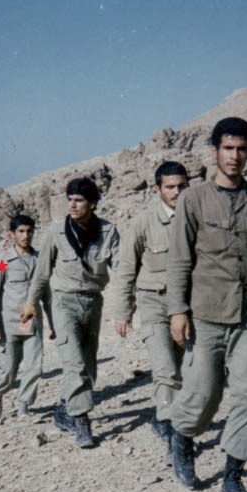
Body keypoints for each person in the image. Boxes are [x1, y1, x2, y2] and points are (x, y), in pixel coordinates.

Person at [167, 117, 247, 492]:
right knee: (203, 395)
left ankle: (233, 477)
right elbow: (179, 259)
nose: (235, 156)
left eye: (242, 149)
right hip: (205, 312)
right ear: (215, 151)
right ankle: (182, 437)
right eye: (228, 148)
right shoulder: (193, 199)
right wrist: (177, 310)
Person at [20, 177, 120, 449]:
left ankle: (65, 411)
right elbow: (42, 273)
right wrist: (31, 302)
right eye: (70, 200)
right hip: (63, 303)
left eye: (79, 200)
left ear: (93, 204)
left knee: (88, 365)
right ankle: (82, 421)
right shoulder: (56, 232)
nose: (72, 205)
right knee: (74, 363)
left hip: (93, 302)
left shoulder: (108, 231)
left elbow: (122, 267)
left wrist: (130, 299)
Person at [110, 161, 189, 445]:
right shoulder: (143, 222)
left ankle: (172, 417)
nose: (176, 192)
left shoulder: (196, 218)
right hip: (154, 302)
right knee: (165, 367)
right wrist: (123, 311)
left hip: (188, 305)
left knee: (186, 368)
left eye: (182, 186)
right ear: (158, 189)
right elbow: (126, 268)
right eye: (170, 187)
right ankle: (171, 429)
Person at [0, 215, 55, 420]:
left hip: (32, 322)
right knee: (9, 369)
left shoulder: (39, 260)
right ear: (12, 234)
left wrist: (54, 324)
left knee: (34, 367)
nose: (26, 236)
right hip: (9, 323)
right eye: (21, 231)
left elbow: (47, 296)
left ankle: (24, 405)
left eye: (29, 231)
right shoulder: (3, 261)